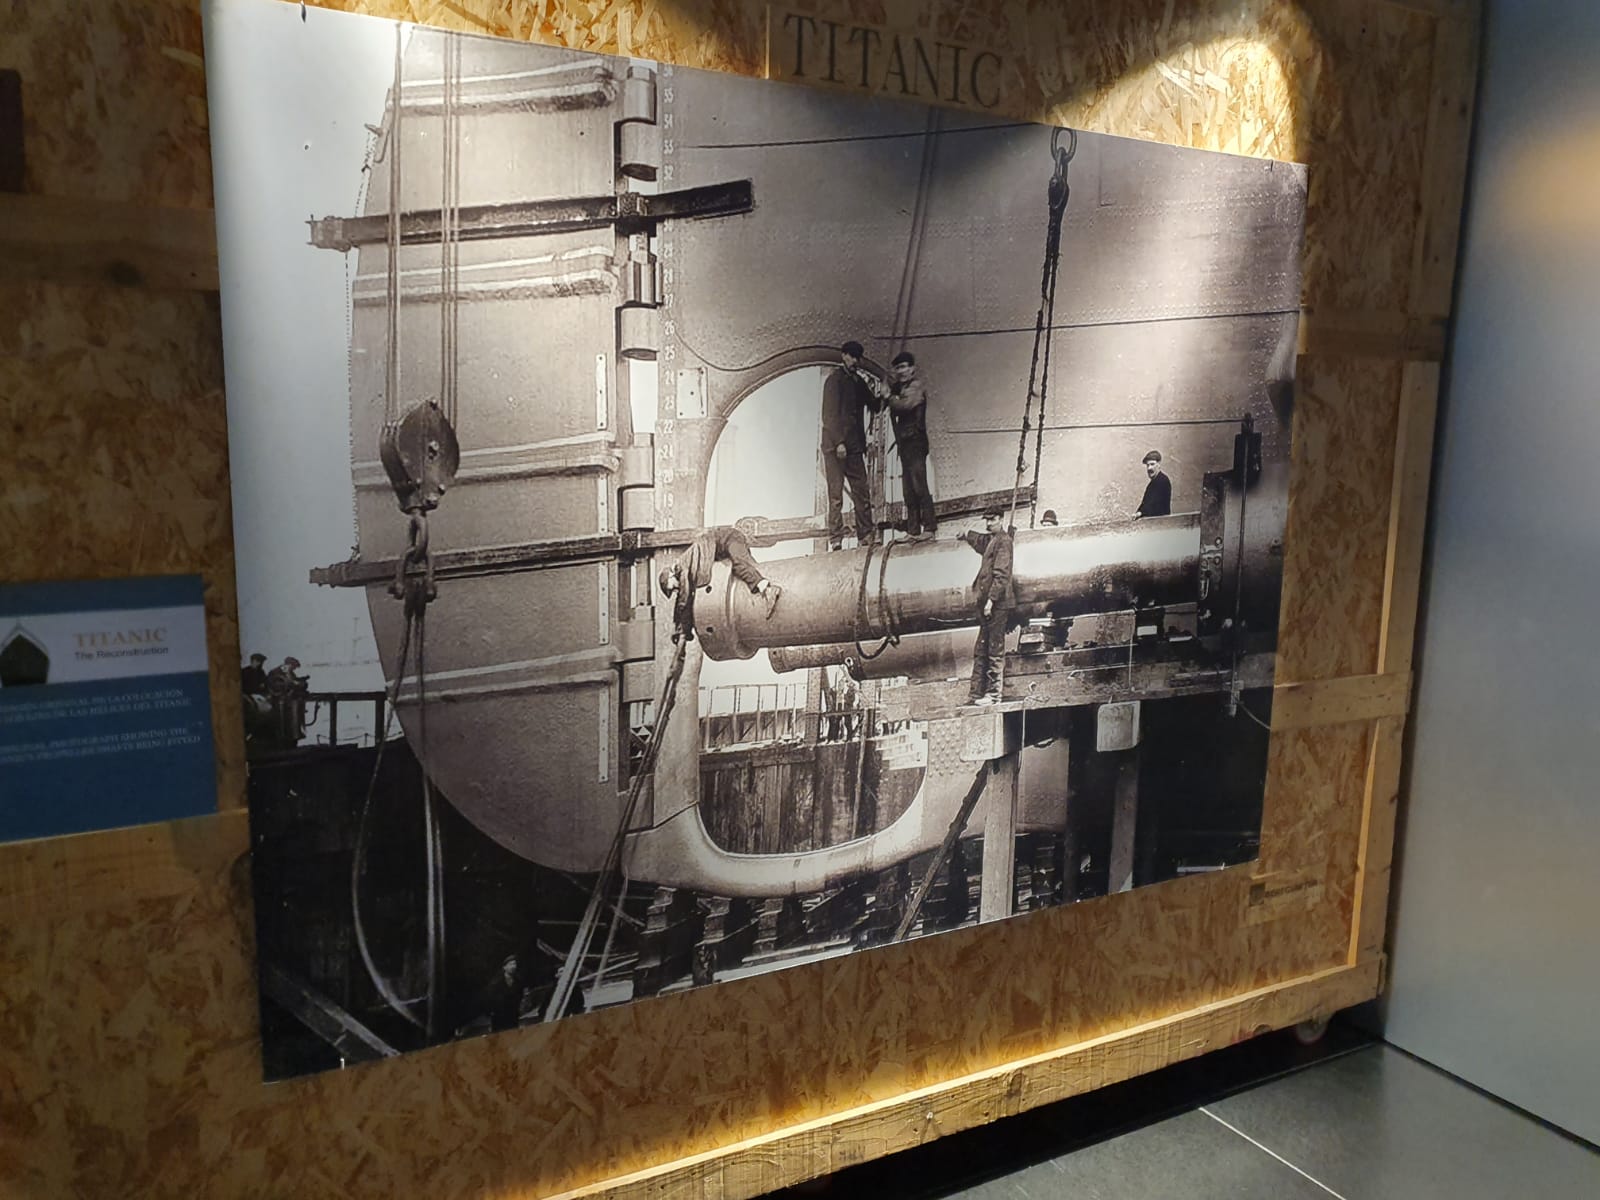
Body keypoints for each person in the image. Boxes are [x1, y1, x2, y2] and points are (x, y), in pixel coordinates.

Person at [658, 525, 782, 642]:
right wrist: (680, 627)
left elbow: (684, 599)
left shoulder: (682, 567)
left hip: (729, 539)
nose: (675, 589)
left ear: (670, 576)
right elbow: (684, 599)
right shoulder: (685, 567)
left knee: (739, 565)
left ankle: (768, 590)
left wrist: (681, 630)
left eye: (672, 587)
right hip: (724, 547)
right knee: (742, 568)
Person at [821, 340, 881, 550]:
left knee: (861, 491)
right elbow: (828, 416)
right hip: (834, 448)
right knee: (836, 495)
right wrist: (839, 442)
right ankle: (836, 538)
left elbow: (874, 405)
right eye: (852, 357)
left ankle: (865, 535)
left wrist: (885, 395)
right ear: (844, 356)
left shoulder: (858, 382)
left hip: (854, 447)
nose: (855, 361)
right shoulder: (833, 381)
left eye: (857, 358)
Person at [959, 506, 1017, 706]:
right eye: (986, 520)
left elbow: (1002, 575)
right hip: (988, 605)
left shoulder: (1004, 542)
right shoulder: (993, 540)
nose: (988, 523)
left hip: (997, 605)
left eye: (992, 519)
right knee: (981, 649)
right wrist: (966, 534)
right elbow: (980, 541)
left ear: (1001, 519)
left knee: (994, 649)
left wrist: (991, 601)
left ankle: (993, 695)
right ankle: (975, 694)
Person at [886, 351, 937, 540]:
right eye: (898, 368)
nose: (901, 371)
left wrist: (889, 397)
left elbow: (905, 406)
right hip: (905, 443)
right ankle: (913, 529)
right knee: (908, 489)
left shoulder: (916, 387)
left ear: (912, 368)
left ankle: (929, 528)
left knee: (919, 484)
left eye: (904, 367)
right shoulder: (899, 389)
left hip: (915, 441)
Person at [265, 656, 309, 744]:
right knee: (281, 725)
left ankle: (292, 740)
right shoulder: (275, 672)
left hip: (289, 703)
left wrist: (300, 683)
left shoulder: (290, 674)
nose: (294, 669)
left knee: (292, 725)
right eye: (293, 667)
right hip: (279, 703)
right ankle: (281, 741)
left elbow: (295, 685)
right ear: (288, 665)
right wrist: (291, 683)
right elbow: (274, 686)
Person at [1133, 450, 1172, 519]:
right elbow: (1145, 504)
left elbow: (1154, 504)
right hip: (1153, 521)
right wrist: (1137, 513)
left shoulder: (1163, 481)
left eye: (1152, 464)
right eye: (1147, 465)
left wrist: (1140, 513)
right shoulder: (1152, 484)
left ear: (1158, 465)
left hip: (1160, 521)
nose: (1149, 468)